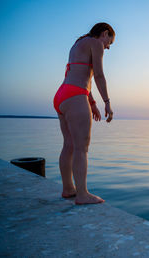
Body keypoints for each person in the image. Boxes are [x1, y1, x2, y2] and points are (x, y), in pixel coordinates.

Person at [53, 22, 115, 205]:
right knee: (82, 147)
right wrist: (107, 103)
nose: (108, 47)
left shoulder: (78, 44)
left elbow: (82, 77)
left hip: (62, 95)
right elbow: (98, 75)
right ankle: (82, 194)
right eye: (109, 42)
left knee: (69, 145)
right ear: (104, 34)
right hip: (75, 96)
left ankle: (68, 189)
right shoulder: (95, 43)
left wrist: (92, 102)